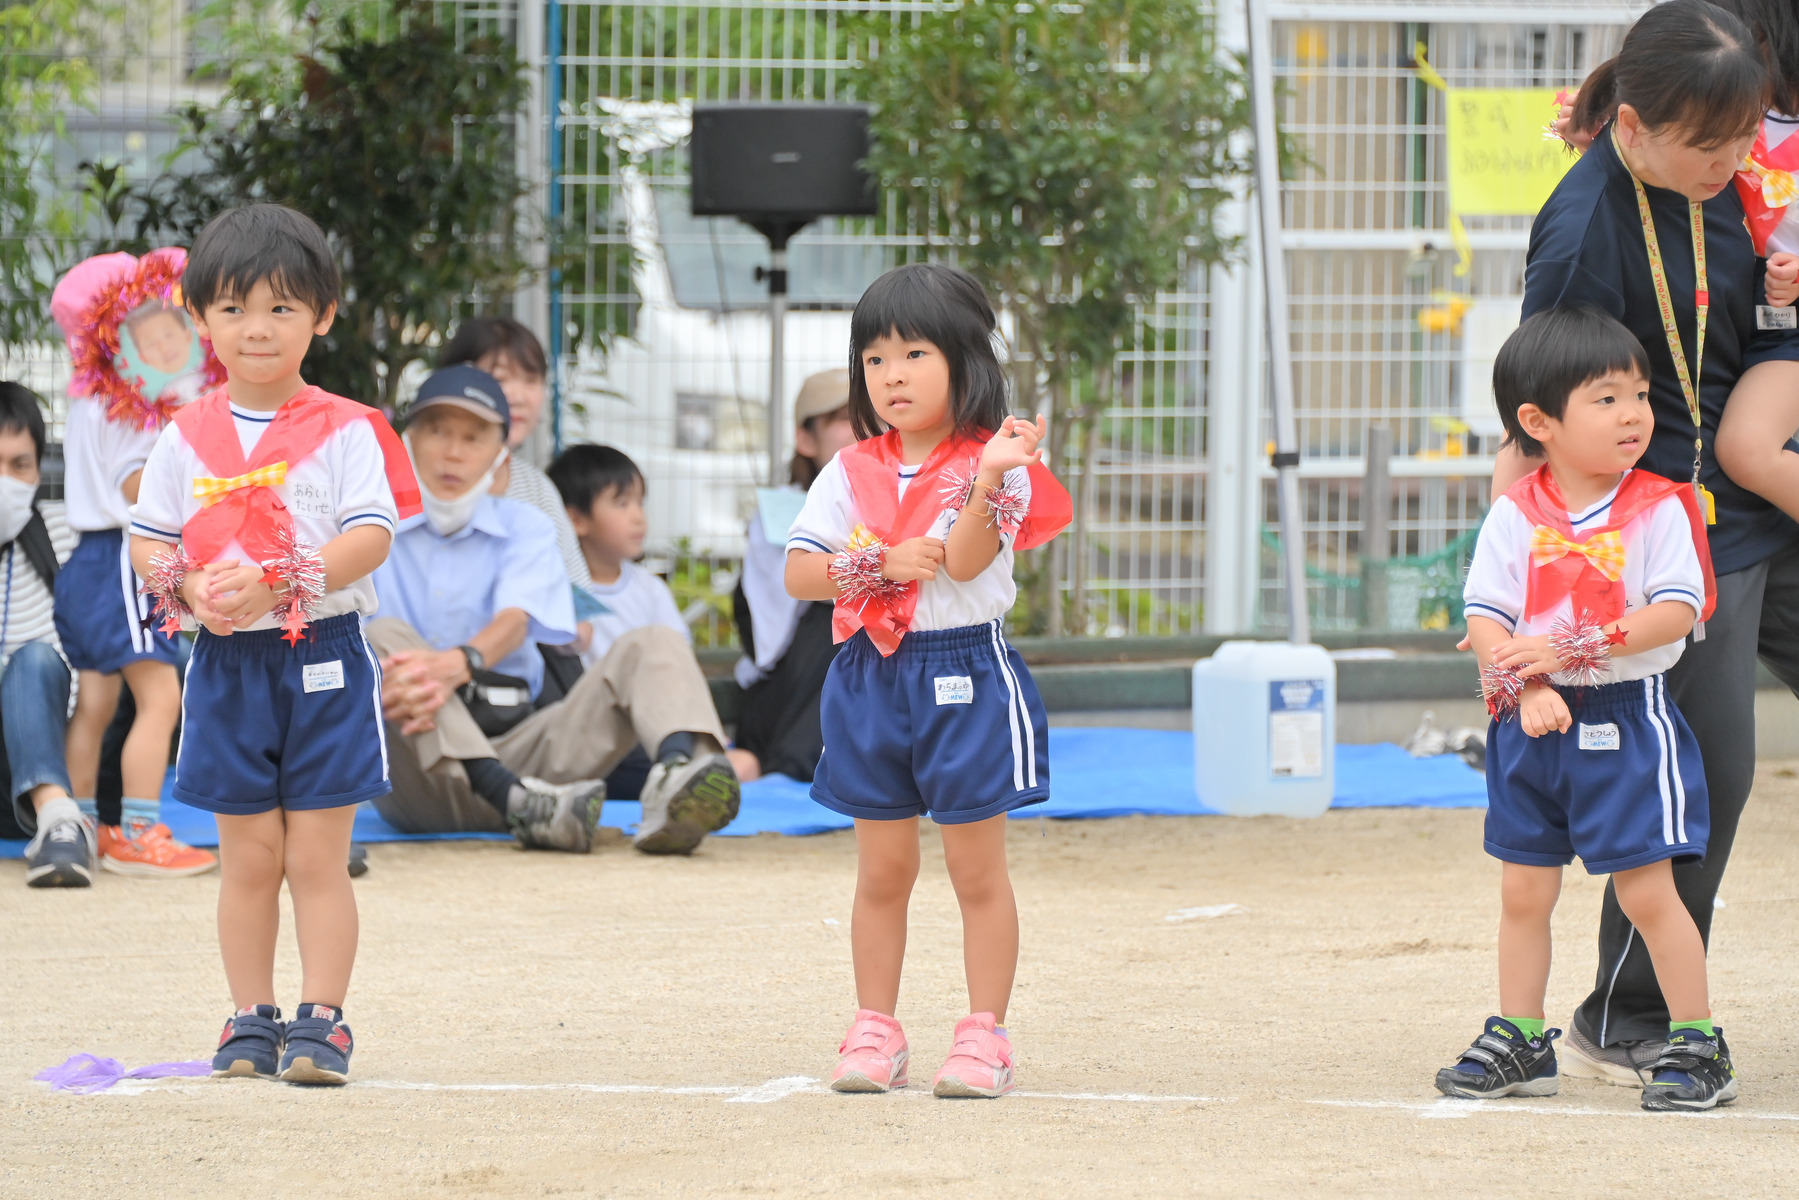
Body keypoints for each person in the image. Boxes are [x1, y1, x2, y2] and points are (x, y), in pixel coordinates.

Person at [1505, 0, 1799, 1087]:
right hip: (1673, 533)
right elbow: (1539, 400)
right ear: (1631, 129)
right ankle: (1622, 1016)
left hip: (1756, 493)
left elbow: (1745, 325)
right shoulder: (1583, 228)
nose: (1731, 161)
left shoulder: (1719, 183)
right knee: (1705, 775)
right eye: (1708, 144)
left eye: (1743, 137)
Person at [128, 203, 418, 1085]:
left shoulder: (347, 428)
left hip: (323, 649)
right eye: (235, 309)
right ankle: (249, 1018)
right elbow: (147, 540)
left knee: (314, 856)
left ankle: (322, 1021)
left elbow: (373, 537)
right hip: (225, 661)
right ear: (203, 317)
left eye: (284, 308)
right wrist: (184, 586)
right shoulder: (184, 435)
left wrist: (282, 578)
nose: (258, 329)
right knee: (247, 856)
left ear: (323, 316)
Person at [784, 263, 1071, 1098]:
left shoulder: (996, 461)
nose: (892, 375)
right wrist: (874, 561)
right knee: (880, 871)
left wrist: (987, 480)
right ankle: (875, 1028)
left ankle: (983, 1035)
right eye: (874, 359)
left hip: (966, 675)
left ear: (963, 360)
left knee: (976, 871)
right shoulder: (846, 470)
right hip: (870, 676)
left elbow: (973, 557)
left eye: (913, 353)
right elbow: (801, 572)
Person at [1440, 306, 1734, 1111]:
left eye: (1638, 393)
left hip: (1625, 718)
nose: (1633, 413)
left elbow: (1676, 610)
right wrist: (1526, 685)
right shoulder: (1514, 514)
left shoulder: (1660, 506)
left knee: (1646, 892)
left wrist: (1567, 653)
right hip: (1529, 726)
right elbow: (1484, 617)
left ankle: (1698, 1040)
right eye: (1605, 398)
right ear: (1537, 421)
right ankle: (1521, 1035)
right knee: (1522, 893)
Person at [368, 366, 742, 856]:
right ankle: (512, 800)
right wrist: (418, 676)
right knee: (384, 641)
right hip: (418, 773)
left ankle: (675, 779)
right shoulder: (371, 528)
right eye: (437, 431)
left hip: (535, 765)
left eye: (474, 437)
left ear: (501, 455)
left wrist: (457, 665)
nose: (454, 452)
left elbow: (516, 620)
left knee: (654, 640)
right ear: (408, 439)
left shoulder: (528, 526)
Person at [49, 249, 215, 879]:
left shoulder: (92, 397)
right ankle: (139, 832)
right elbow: (137, 488)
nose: (171, 340)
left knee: (96, 700)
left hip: (89, 559)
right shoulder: (132, 402)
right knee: (161, 695)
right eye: (153, 330)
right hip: (126, 558)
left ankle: (84, 826)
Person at [729, 369, 857, 783]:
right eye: (843, 417)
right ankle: (792, 766)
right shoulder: (782, 512)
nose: (861, 429)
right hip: (787, 698)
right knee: (839, 620)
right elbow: (774, 634)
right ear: (806, 440)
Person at [0, 384, 84, 887]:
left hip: (48, 740)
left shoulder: (64, 532)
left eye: (20, 465)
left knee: (34, 661)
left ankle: (59, 822)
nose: (6, 481)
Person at [437, 316, 591, 591]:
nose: (518, 396)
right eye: (500, 378)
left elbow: (578, 600)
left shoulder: (537, 490)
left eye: (531, 380)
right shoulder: (410, 480)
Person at [545, 443, 687, 666]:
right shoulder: (557, 590)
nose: (638, 517)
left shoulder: (650, 589)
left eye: (640, 503)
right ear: (575, 520)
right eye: (622, 504)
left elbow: (677, 652)